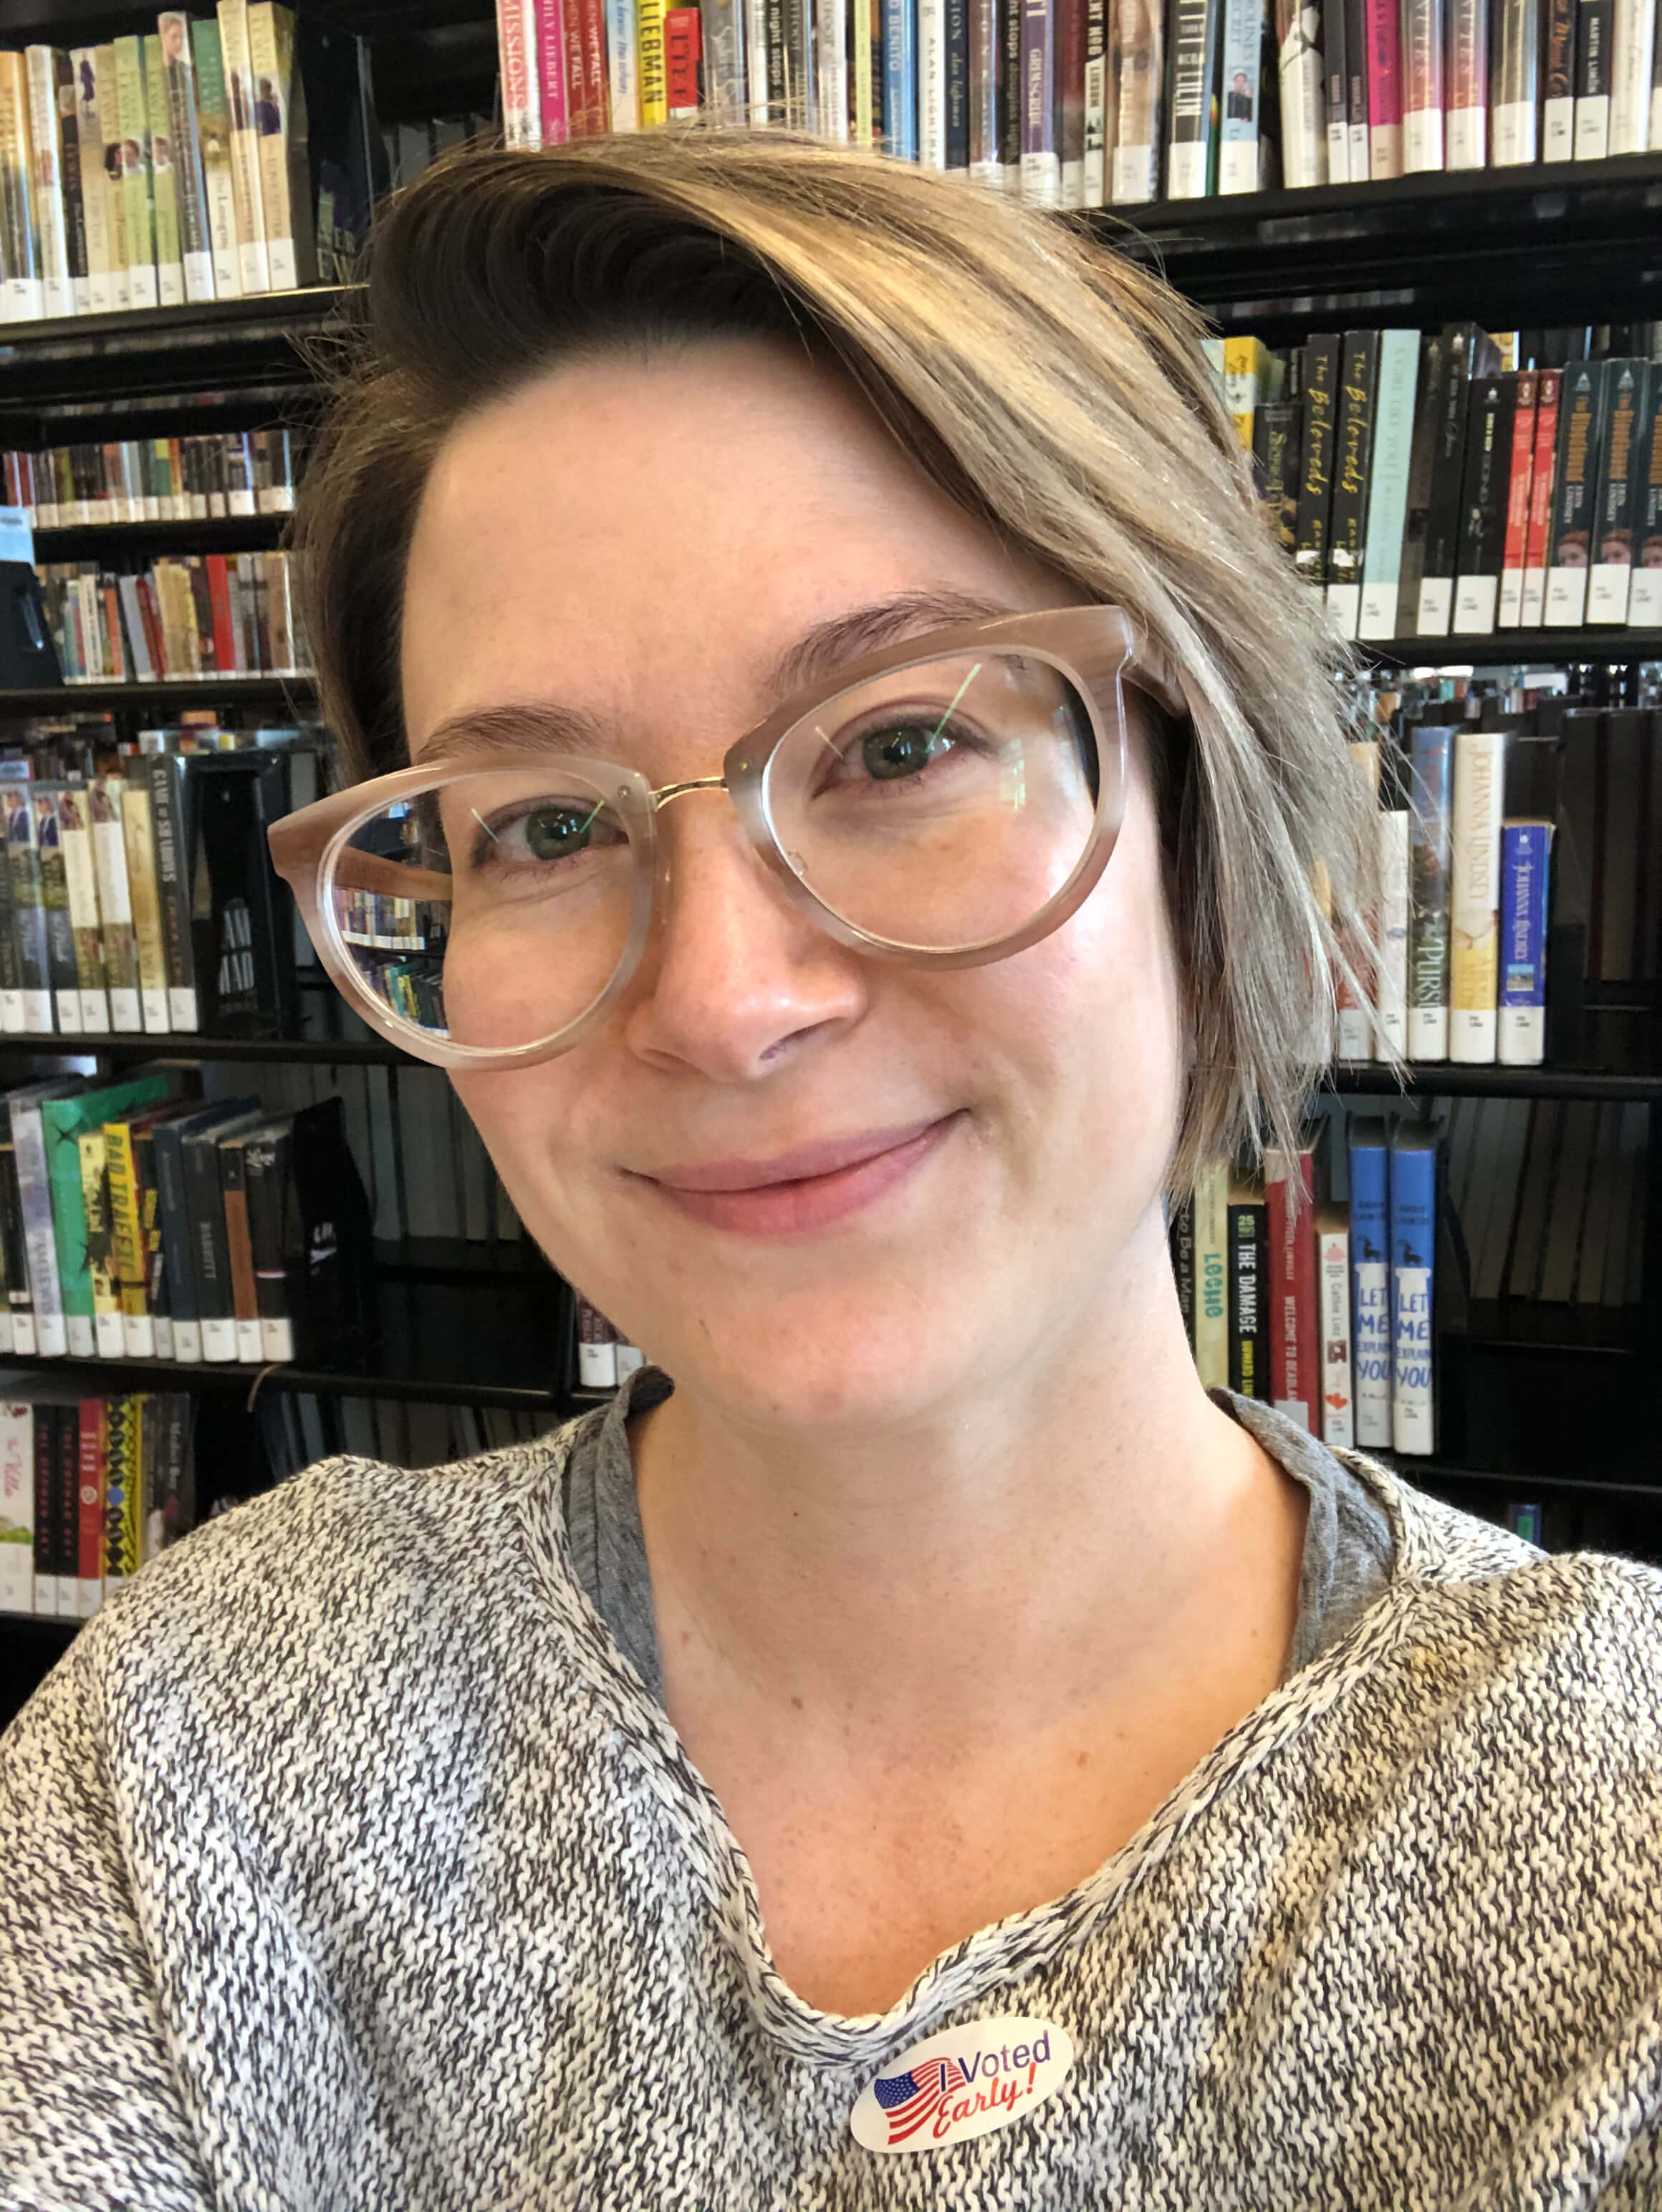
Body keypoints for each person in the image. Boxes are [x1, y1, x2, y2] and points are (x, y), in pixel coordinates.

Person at [2, 132, 1660, 2208]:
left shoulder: (1613, 1834)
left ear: (1202, 798)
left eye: (897, 747)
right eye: (539, 825)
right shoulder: (194, 1762)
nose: (723, 1002)